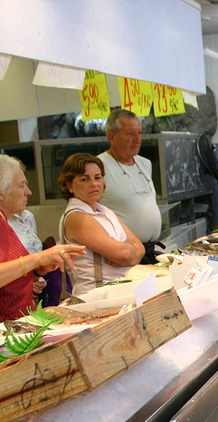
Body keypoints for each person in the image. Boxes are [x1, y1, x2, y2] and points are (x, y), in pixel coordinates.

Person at [0, 154, 84, 321]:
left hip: (25, 321)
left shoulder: (5, 221)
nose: (28, 192)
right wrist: (39, 258)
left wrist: (39, 270)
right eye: (21, 186)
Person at [58, 153, 145, 296]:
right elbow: (125, 254)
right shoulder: (76, 216)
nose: (94, 184)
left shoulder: (105, 211)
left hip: (119, 291)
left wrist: (128, 252)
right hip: (97, 296)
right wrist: (128, 250)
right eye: (84, 179)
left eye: (97, 178)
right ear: (69, 186)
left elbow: (140, 248)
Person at [97, 108, 162, 259]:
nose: (137, 139)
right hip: (124, 254)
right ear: (112, 137)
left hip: (151, 249)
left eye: (139, 133)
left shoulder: (145, 163)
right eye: (130, 134)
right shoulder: (98, 166)